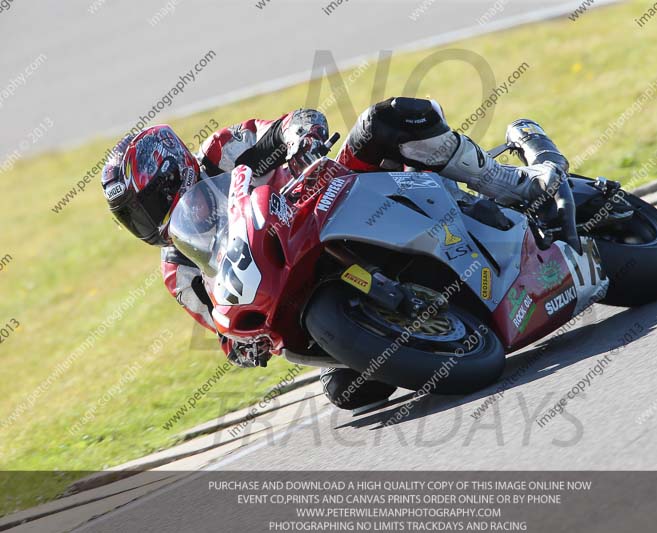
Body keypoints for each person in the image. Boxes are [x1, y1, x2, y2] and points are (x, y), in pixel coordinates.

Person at [100, 97, 570, 409]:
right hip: (295, 290)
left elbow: (294, 123)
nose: (145, 223)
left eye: (145, 207)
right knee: (346, 391)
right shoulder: (177, 269)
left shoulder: (222, 152)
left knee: (380, 123)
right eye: (131, 219)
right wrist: (242, 347)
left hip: (335, 200)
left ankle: (513, 184)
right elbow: (225, 325)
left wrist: (301, 141)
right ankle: (430, 318)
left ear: (170, 172)